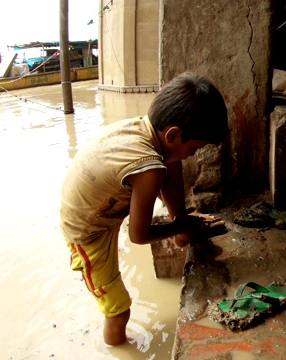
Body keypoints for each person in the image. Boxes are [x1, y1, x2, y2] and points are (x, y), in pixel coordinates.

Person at [59, 72, 228, 346]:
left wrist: (180, 219)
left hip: (100, 208)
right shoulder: (149, 167)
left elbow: (171, 170)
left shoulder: (149, 132)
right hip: (86, 232)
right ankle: (117, 347)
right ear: (174, 134)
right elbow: (137, 236)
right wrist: (180, 227)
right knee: (118, 311)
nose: (193, 155)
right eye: (195, 148)